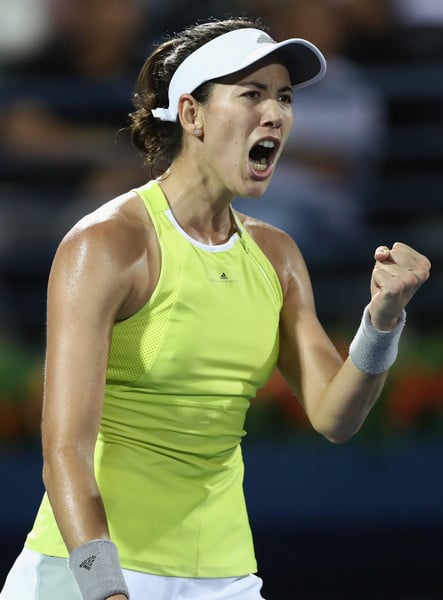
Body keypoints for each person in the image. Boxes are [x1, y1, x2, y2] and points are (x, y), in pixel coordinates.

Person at [0, 15, 430, 600]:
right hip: (86, 574)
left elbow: (336, 416)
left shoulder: (277, 255)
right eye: (251, 94)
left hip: (223, 577)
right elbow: (63, 452)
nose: (275, 113)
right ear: (192, 114)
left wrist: (382, 320)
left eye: (283, 97)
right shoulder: (106, 244)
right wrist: (107, 591)